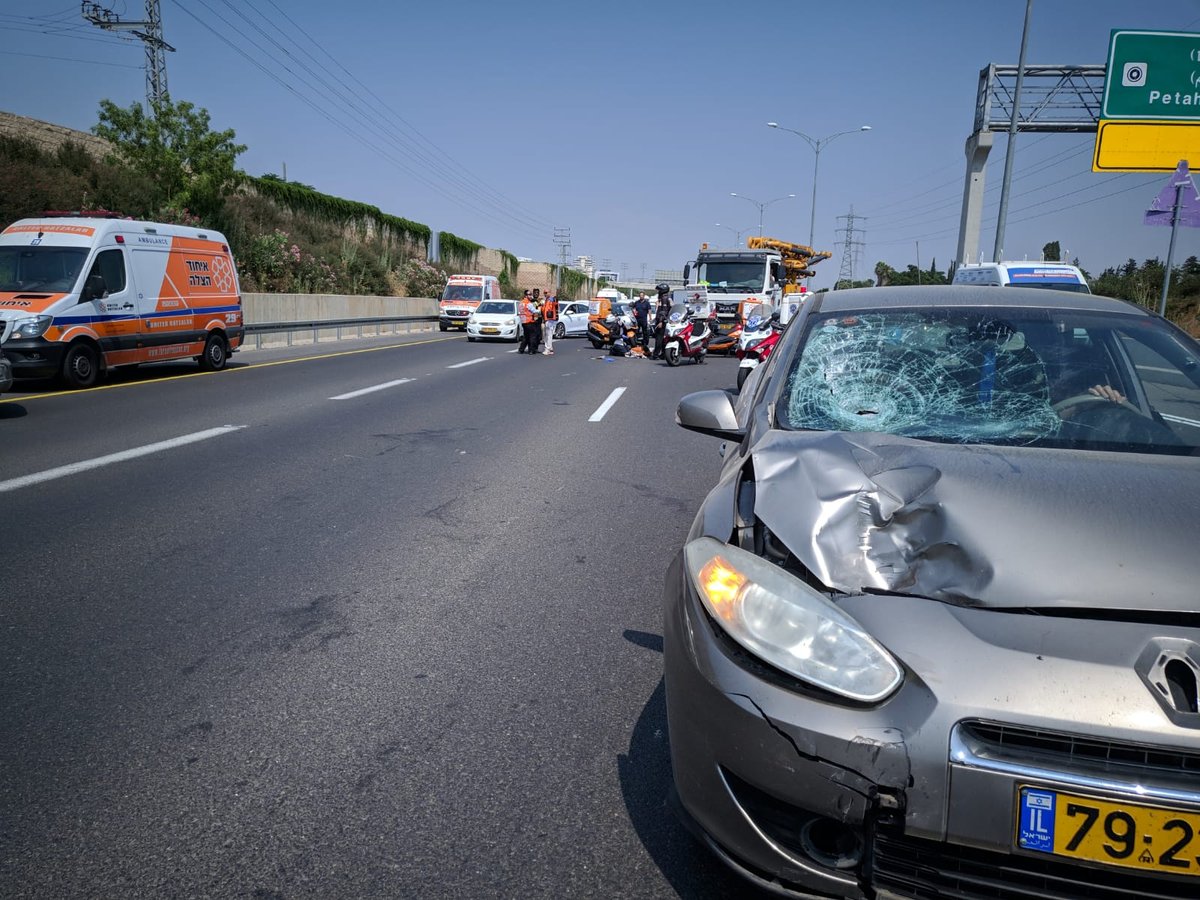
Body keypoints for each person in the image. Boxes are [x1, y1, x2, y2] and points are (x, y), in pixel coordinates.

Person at [652, 283, 673, 359]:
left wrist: (661, 321)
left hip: (662, 321)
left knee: (659, 338)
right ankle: (663, 354)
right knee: (663, 338)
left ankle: (656, 354)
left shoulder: (664, 299)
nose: (658, 292)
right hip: (663, 320)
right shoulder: (663, 298)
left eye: (659, 290)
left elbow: (663, 312)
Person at [518, 291, 538, 355]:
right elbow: (534, 311)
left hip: (523, 322)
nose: (531, 296)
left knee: (526, 336)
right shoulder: (528, 303)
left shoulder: (521, 303)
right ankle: (531, 350)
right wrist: (541, 310)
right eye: (529, 294)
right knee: (532, 336)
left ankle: (521, 349)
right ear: (526, 295)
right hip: (529, 321)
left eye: (531, 294)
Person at [541, 290, 558, 355]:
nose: (545, 294)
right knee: (548, 334)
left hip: (550, 319)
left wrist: (555, 300)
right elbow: (543, 310)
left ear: (549, 293)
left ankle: (547, 349)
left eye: (546, 292)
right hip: (547, 319)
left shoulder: (551, 300)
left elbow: (555, 305)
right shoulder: (546, 300)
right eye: (544, 293)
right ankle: (550, 348)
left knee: (548, 335)